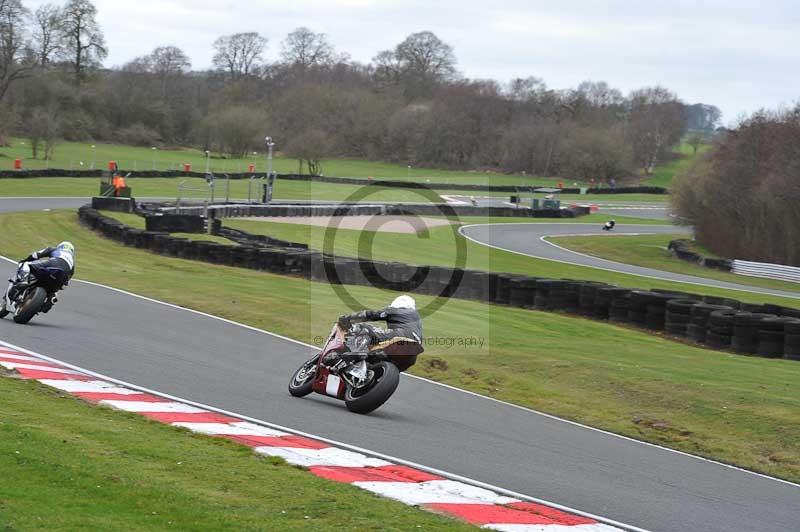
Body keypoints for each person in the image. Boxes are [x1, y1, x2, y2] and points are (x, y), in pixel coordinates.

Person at [336, 294, 423, 370]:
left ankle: (354, 352)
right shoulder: (417, 319)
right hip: (413, 354)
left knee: (363, 328)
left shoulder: (395, 310)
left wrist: (348, 318)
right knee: (377, 361)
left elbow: (370, 315)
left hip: (400, 337)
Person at [2, 242, 75, 315]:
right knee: (55, 289)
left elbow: (36, 255)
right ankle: (51, 300)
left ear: (60, 246)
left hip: (53, 263)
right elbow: (69, 277)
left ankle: (24, 281)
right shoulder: (72, 262)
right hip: (62, 275)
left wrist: (26, 260)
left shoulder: (54, 249)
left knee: (26, 265)